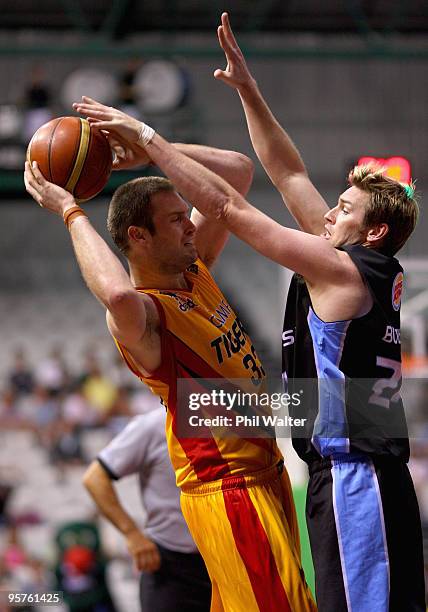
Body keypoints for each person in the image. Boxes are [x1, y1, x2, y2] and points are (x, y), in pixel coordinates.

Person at [67, 19, 426, 609]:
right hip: (334, 460)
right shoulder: (354, 261)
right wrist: (249, 91)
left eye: (342, 209)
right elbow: (287, 172)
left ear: (373, 231)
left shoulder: (341, 269)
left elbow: (228, 202)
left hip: (353, 474)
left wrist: (148, 138)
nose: (328, 214)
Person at [24, 133, 316, 612]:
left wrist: (152, 149)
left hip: (265, 471)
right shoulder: (146, 316)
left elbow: (236, 172)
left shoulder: (194, 272)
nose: (189, 225)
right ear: (139, 237)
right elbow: (116, 296)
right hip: (227, 488)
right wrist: (71, 212)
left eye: (187, 216)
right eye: (176, 219)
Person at [83, 404, 211, 612]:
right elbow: (94, 478)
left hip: (227, 561)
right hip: (170, 567)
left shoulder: (233, 420)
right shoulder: (152, 426)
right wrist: (132, 534)